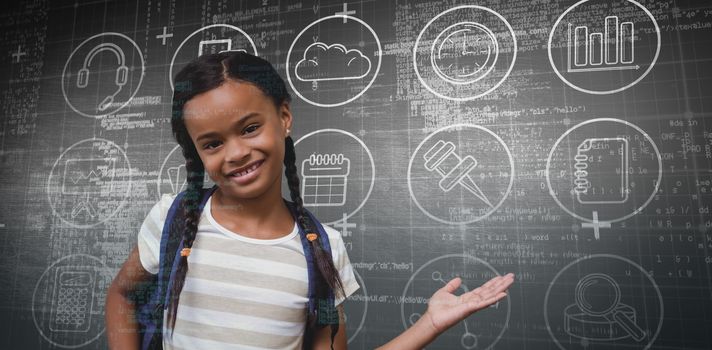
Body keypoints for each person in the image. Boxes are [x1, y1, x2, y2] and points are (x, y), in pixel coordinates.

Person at [105, 51, 515, 350]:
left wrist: (429, 324)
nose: (235, 153)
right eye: (212, 143)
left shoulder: (322, 249)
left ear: (284, 117)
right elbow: (123, 294)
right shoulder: (174, 219)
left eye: (249, 128)